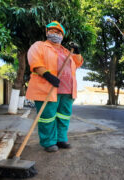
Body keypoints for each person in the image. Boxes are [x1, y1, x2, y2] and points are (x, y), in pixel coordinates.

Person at [26, 21, 83, 152]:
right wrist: (48, 75)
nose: (55, 34)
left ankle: (61, 139)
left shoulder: (66, 51)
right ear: (46, 32)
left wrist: (77, 51)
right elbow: (35, 61)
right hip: (47, 88)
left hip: (67, 89)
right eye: (52, 31)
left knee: (63, 116)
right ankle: (48, 142)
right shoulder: (39, 46)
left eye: (58, 32)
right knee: (47, 117)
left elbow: (78, 63)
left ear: (62, 36)